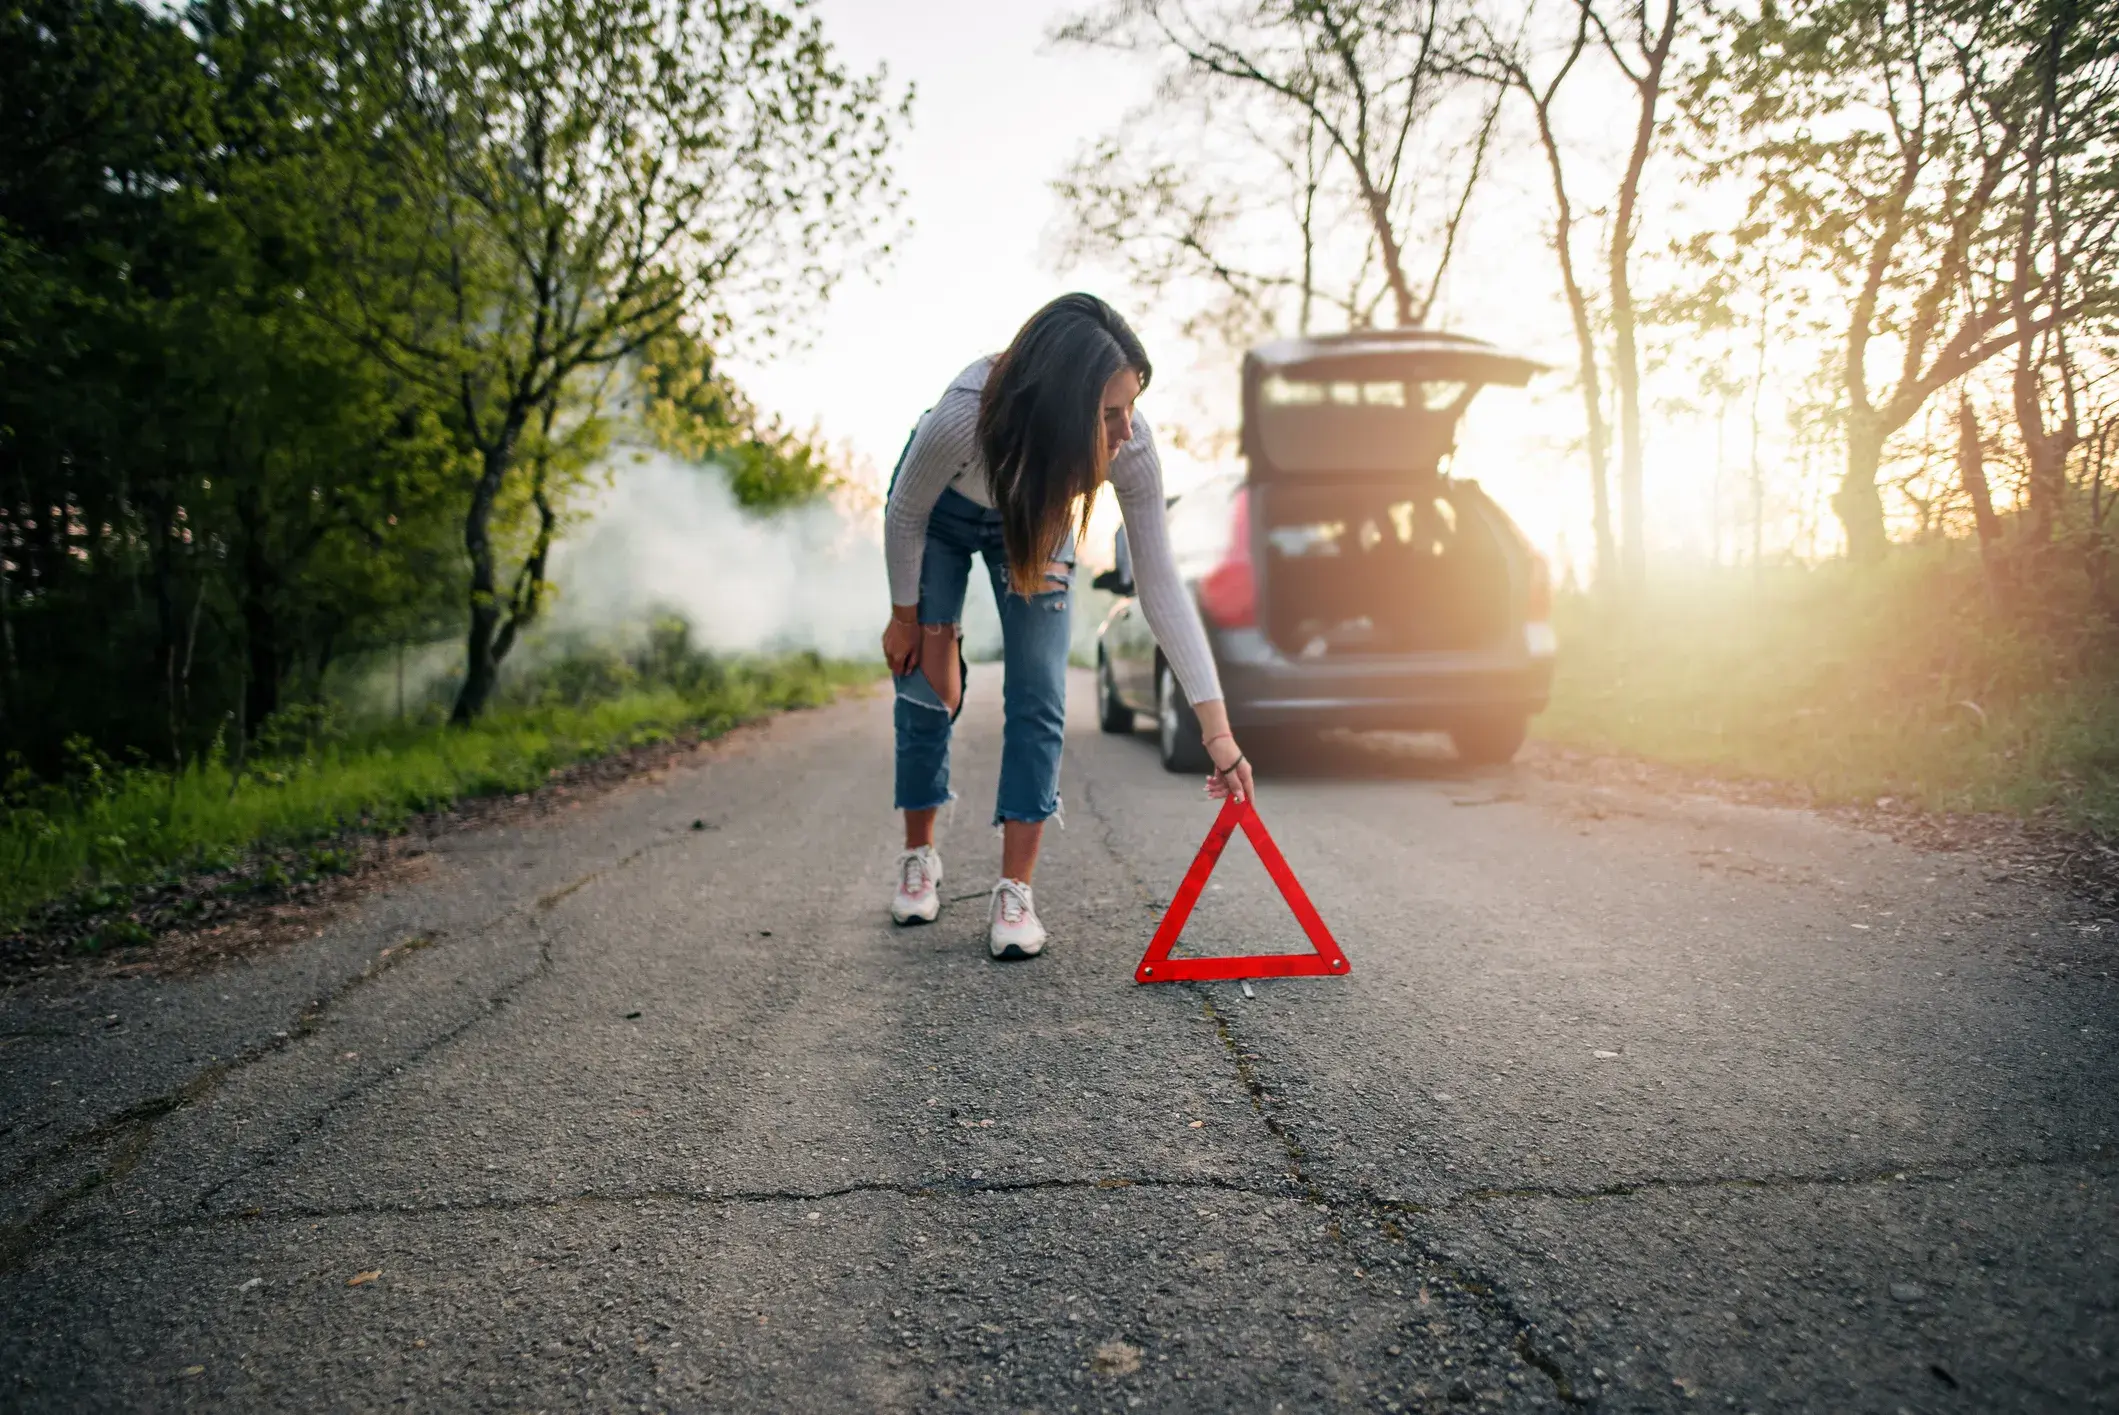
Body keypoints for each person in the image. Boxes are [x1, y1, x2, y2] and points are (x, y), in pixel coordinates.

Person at [881, 293, 1255, 960]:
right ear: (1058, 404)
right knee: (926, 690)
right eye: (1109, 413)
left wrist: (1217, 729)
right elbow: (905, 513)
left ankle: (1013, 891)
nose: (1127, 429)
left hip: (1035, 512)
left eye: (1132, 405)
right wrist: (904, 619)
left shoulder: (1130, 452)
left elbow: (1160, 585)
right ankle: (919, 854)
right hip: (937, 516)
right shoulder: (963, 416)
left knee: (1038, 692)